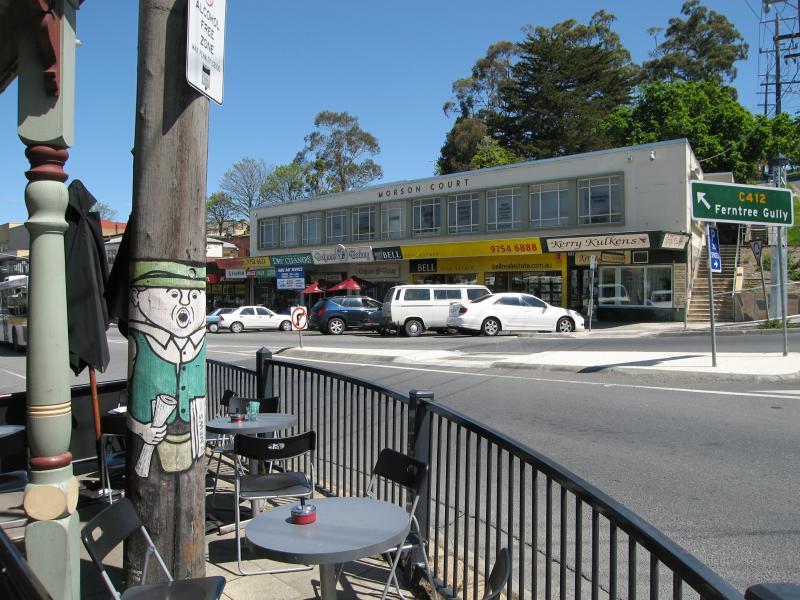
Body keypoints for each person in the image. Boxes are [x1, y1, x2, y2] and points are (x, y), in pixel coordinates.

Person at [126, 261, 207, 478]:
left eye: (194, 296)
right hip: (151, 449)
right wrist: (142, 430)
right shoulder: (140, 341)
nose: (185, 306)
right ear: (136, 296)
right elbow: (131, 400)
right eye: (173, 295)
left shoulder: (198, 343)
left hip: (191, 444)